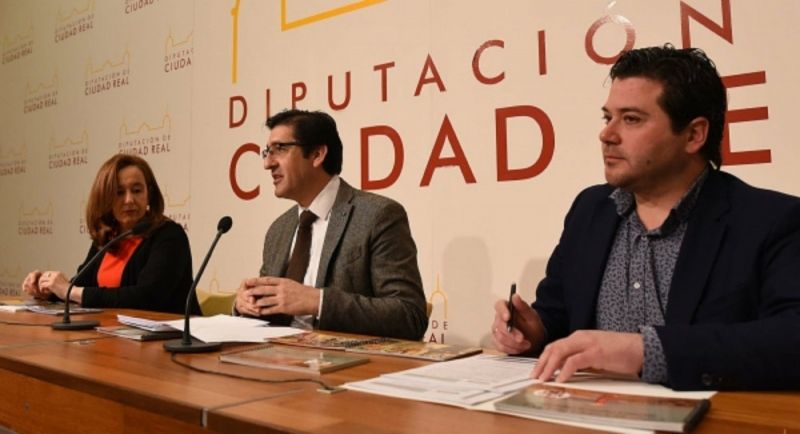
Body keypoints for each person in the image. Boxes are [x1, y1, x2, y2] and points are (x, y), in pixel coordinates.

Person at [492, 44, 800, 390]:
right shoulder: (590, 209)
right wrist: (535, 333)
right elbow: (558, 313)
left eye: (631, 119)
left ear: (694, 135)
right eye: (608, 118)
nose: (607, 135)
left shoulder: (771, 220)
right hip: (583, 411)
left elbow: (791, 339)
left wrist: (646, 351)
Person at [234, 109, 427, 340]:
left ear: (317, 154)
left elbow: (409, 315)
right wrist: (246, 305)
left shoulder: (378, 215)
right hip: (277, 355)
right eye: (267, 152)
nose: (268, 163)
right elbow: (270, 315)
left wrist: (318, 302)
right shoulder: (278, 229)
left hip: (346, 359)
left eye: (280, 149)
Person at [21, 154, 198, 315]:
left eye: (137, 190)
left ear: (149, 194)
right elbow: (81, 287)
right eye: (119, 193)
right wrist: (48, 288)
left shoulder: (169, 235)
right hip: (115, 334)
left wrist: (69, 291)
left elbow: (147, 297)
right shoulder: (109, 236)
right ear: (105, 198)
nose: (129, 200)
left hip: (170, 336)